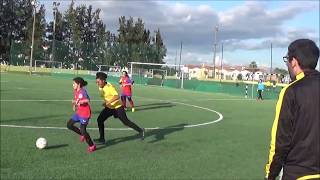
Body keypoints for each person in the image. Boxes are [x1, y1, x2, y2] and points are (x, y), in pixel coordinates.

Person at [265, 39, 320, 180]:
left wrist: (270, 175)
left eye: (287, 60)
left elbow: (280, 142)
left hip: (298, 174)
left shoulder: (291, 91)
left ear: (294, 61)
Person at [95, 72, 145, 144]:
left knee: (126, 122)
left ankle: (141, 130)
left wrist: (108, 102)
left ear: (103, 80)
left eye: (98, 82)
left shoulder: (109, 87)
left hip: (117, 108)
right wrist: (106, 103)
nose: (97, 83)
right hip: (109, 108)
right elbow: (106, 96)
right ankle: (102, 139)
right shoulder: (100, 87)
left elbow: (117, 96)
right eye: (96, 82)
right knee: (100, 120)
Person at [67, 77, 96, 152]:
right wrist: (75, 105)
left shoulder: (83, 91)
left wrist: (80, 102)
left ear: (79, 84)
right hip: (78, 113)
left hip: (85, 114)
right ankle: (82, 134)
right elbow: (77, 100)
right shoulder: (76, 91)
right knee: (69, 125)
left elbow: (87, 100)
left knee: (83, 129)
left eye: (74, 83)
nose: (73, 85)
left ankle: (92, 145)